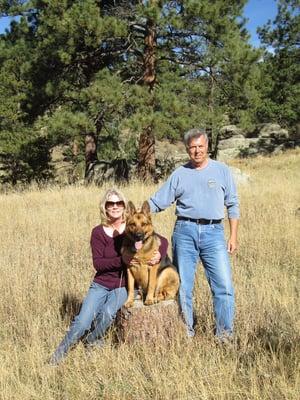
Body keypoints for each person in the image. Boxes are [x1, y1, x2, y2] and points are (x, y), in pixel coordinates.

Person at [50, 188, 168, 365]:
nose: (114, 206)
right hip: (101, 283)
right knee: (82, 322)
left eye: (118, 203)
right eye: (110, 203)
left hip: (122, 285)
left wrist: (160, 253)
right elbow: (98, 264)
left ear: (124, 207)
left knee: (107, 313)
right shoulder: (98, 232)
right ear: (104, 207)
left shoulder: (132, 227)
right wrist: (123, 259)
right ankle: (58, 356)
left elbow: (162, 240)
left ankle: (92, 339)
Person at [148, 128, 239, 340]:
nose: (197, 151)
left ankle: (224, 336)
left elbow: (233, 204)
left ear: (207, 147)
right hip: (185, 232)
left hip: (214, 232)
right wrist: (133, 216)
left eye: (200, 146)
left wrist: (233, 236)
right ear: (187, 150)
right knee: (183, 287)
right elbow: (158, 201)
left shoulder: (222, 171)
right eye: (192, 148)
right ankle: (186, 333)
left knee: (223, 286)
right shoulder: (179, 174)